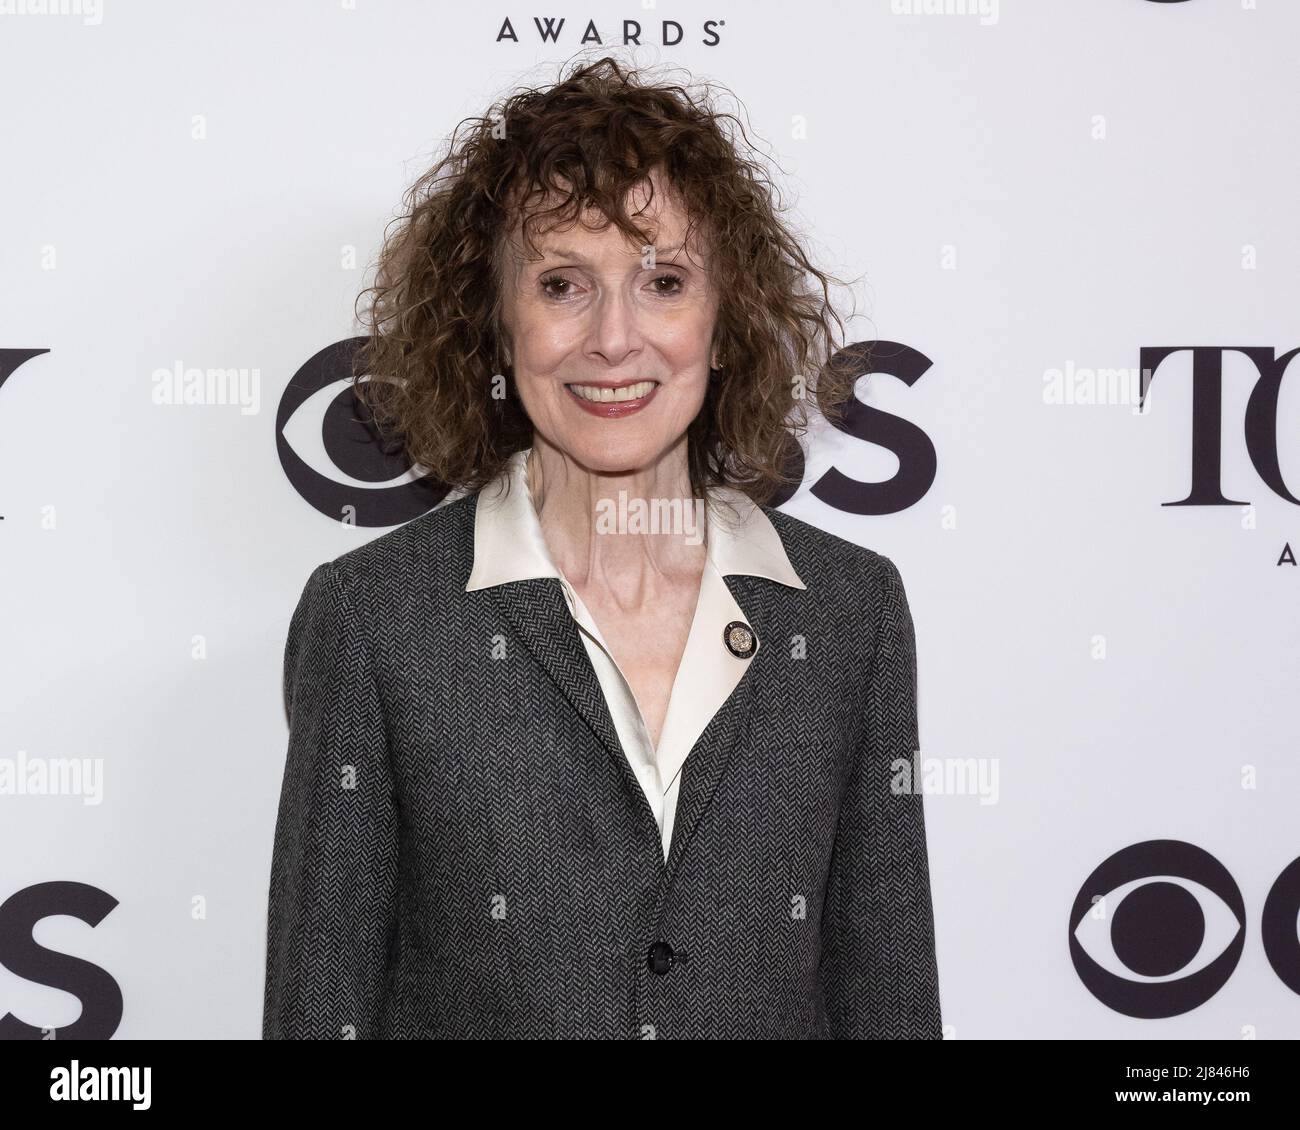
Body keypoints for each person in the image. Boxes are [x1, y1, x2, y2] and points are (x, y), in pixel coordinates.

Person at [262, 54, 941, 1039]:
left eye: (663, 280)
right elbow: (320, 1011)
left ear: (723, 322)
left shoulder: (848, 610)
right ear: (497, 324)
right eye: (562, 284)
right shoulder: (374, 618)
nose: (615, 338)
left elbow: (886, 1000)